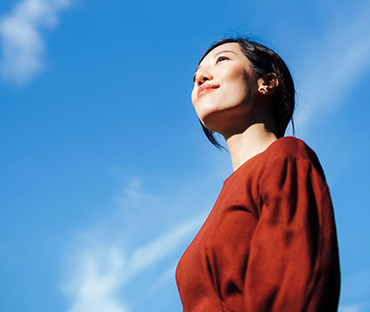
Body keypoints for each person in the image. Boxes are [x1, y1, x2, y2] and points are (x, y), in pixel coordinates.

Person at [176, 38, 340, 312]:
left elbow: (294, 291)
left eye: (222, 60)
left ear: (267, 82)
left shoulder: (286, 158)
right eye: (195, 76)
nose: (200, 77)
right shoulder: (222, 202)